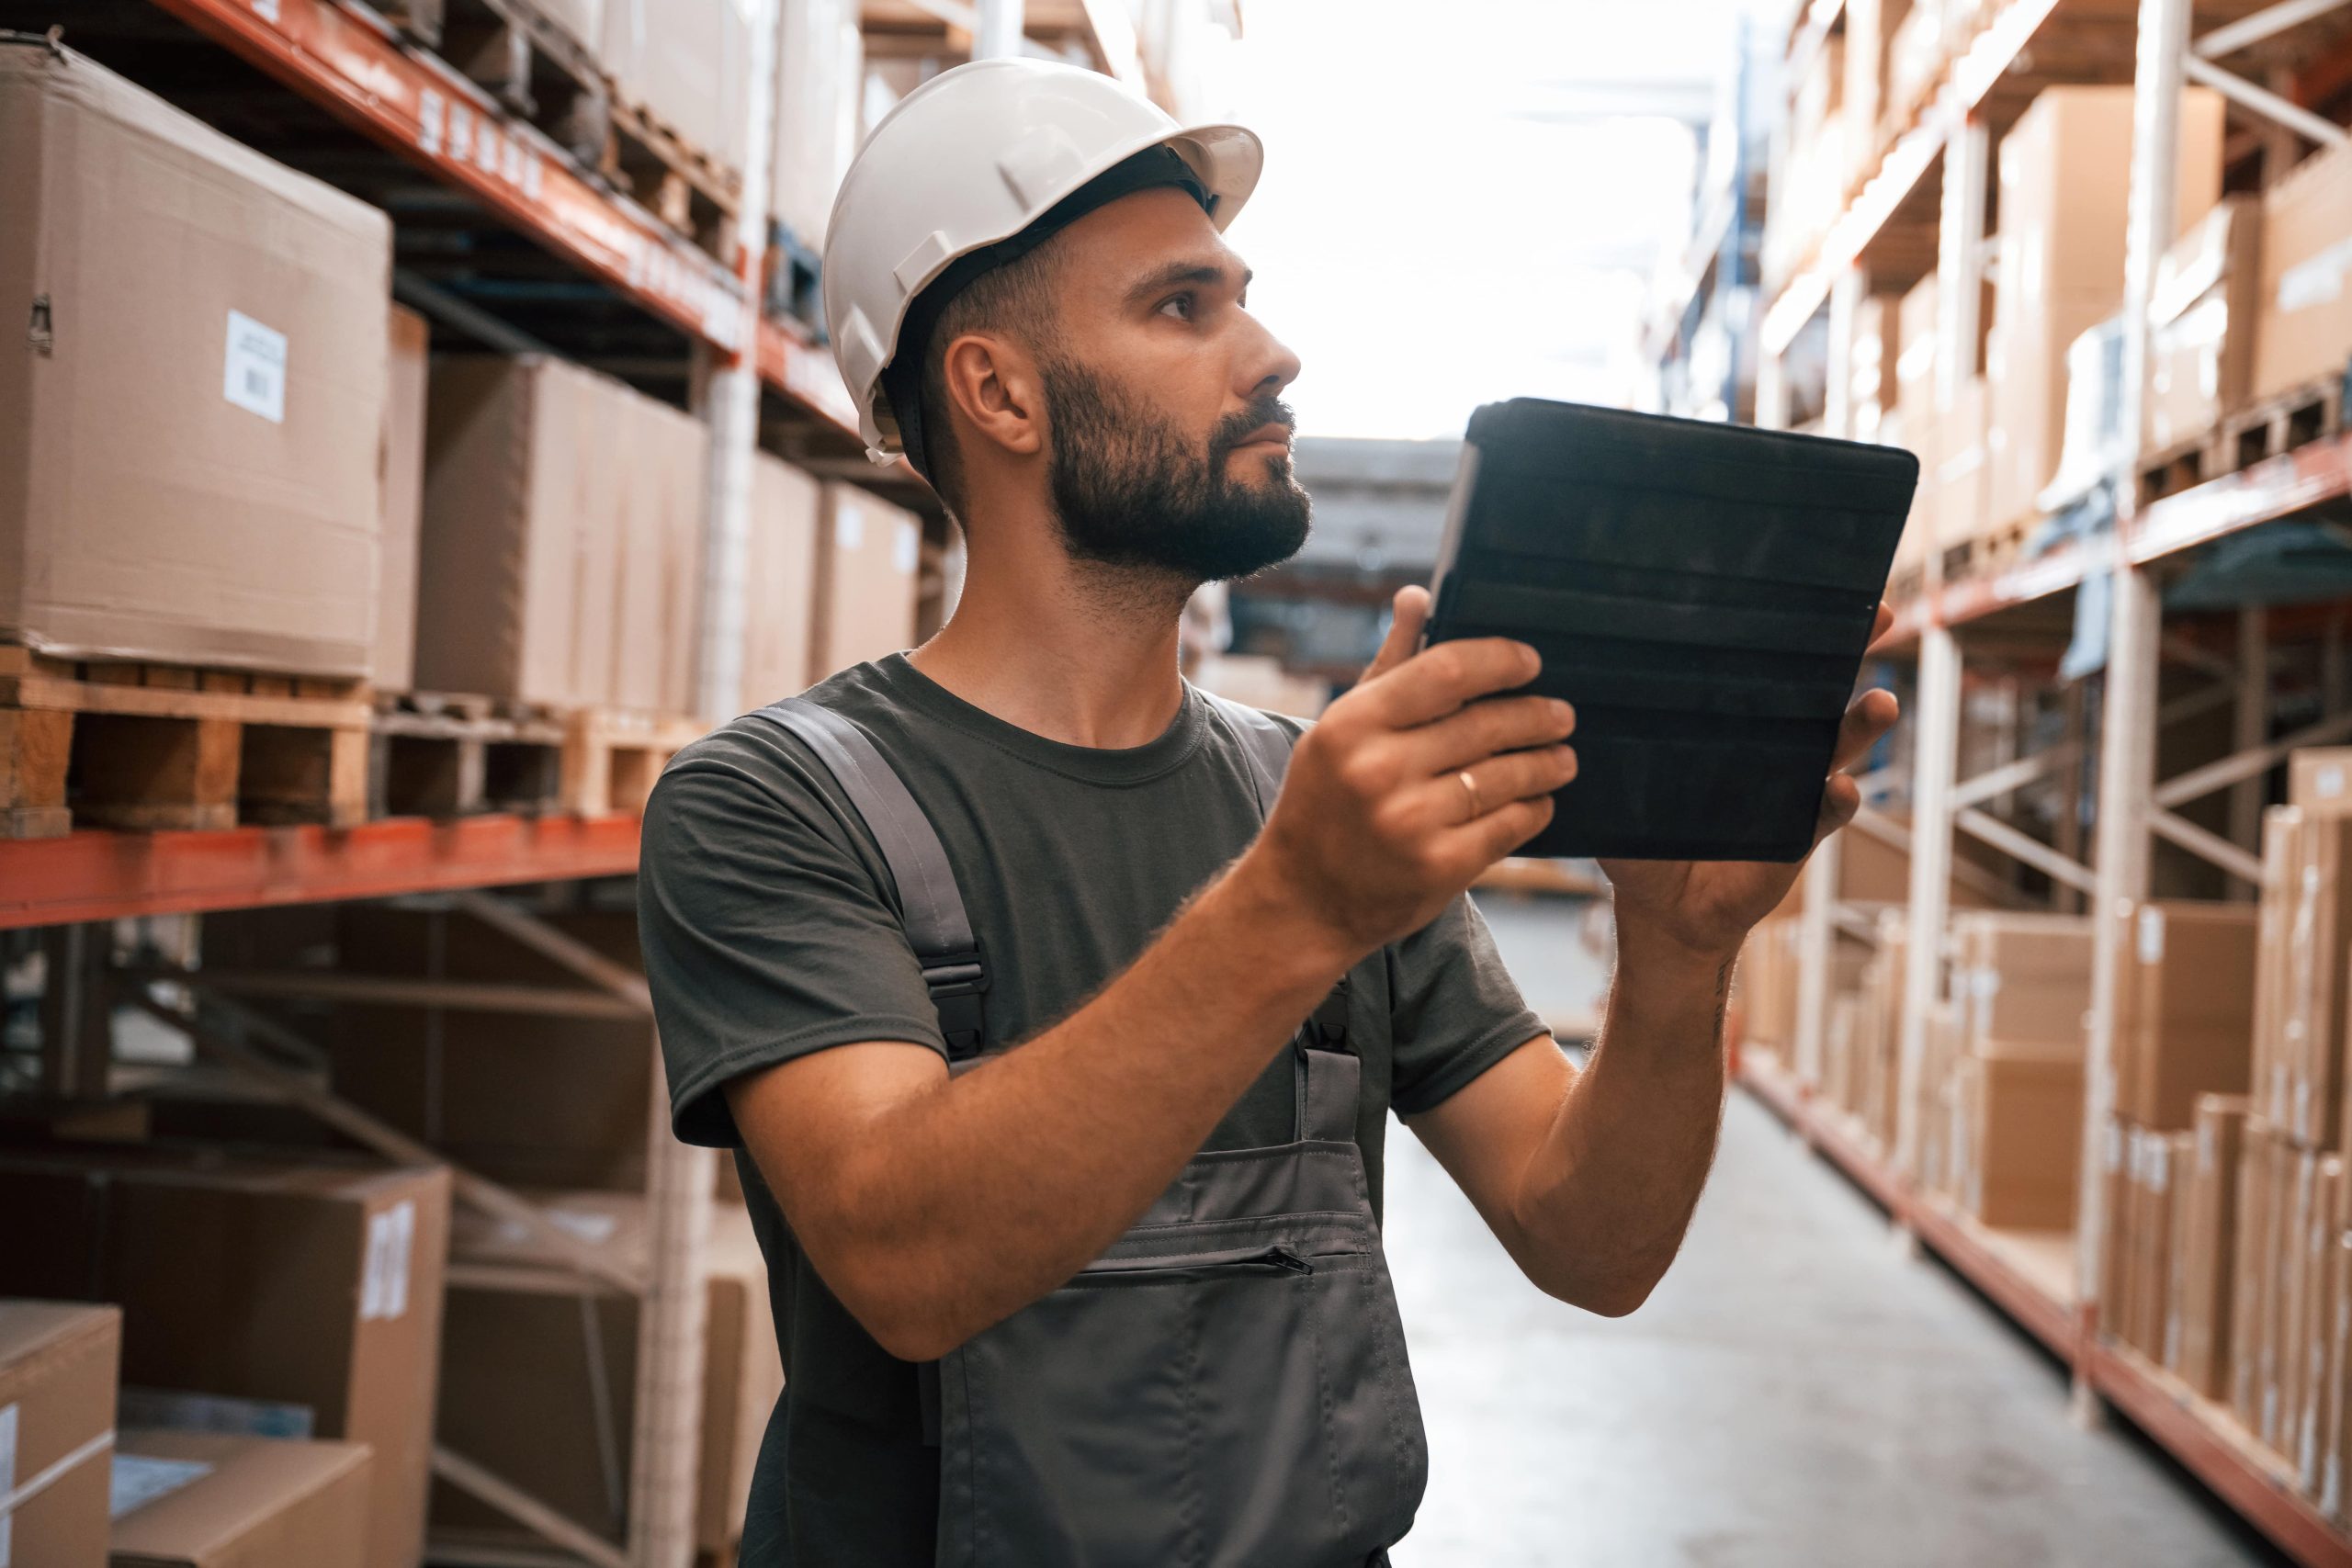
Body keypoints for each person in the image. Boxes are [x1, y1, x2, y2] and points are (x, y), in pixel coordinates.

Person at [639, 57, 1898, 1568]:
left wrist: (1680, 958)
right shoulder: (772, 804)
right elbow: (905, 1257)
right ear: (997, 390)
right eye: (1185, 307)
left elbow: (1594, 1242)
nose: (1274, 351)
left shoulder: (1305, 798)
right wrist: (1295, 906)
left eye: (1244, 295)